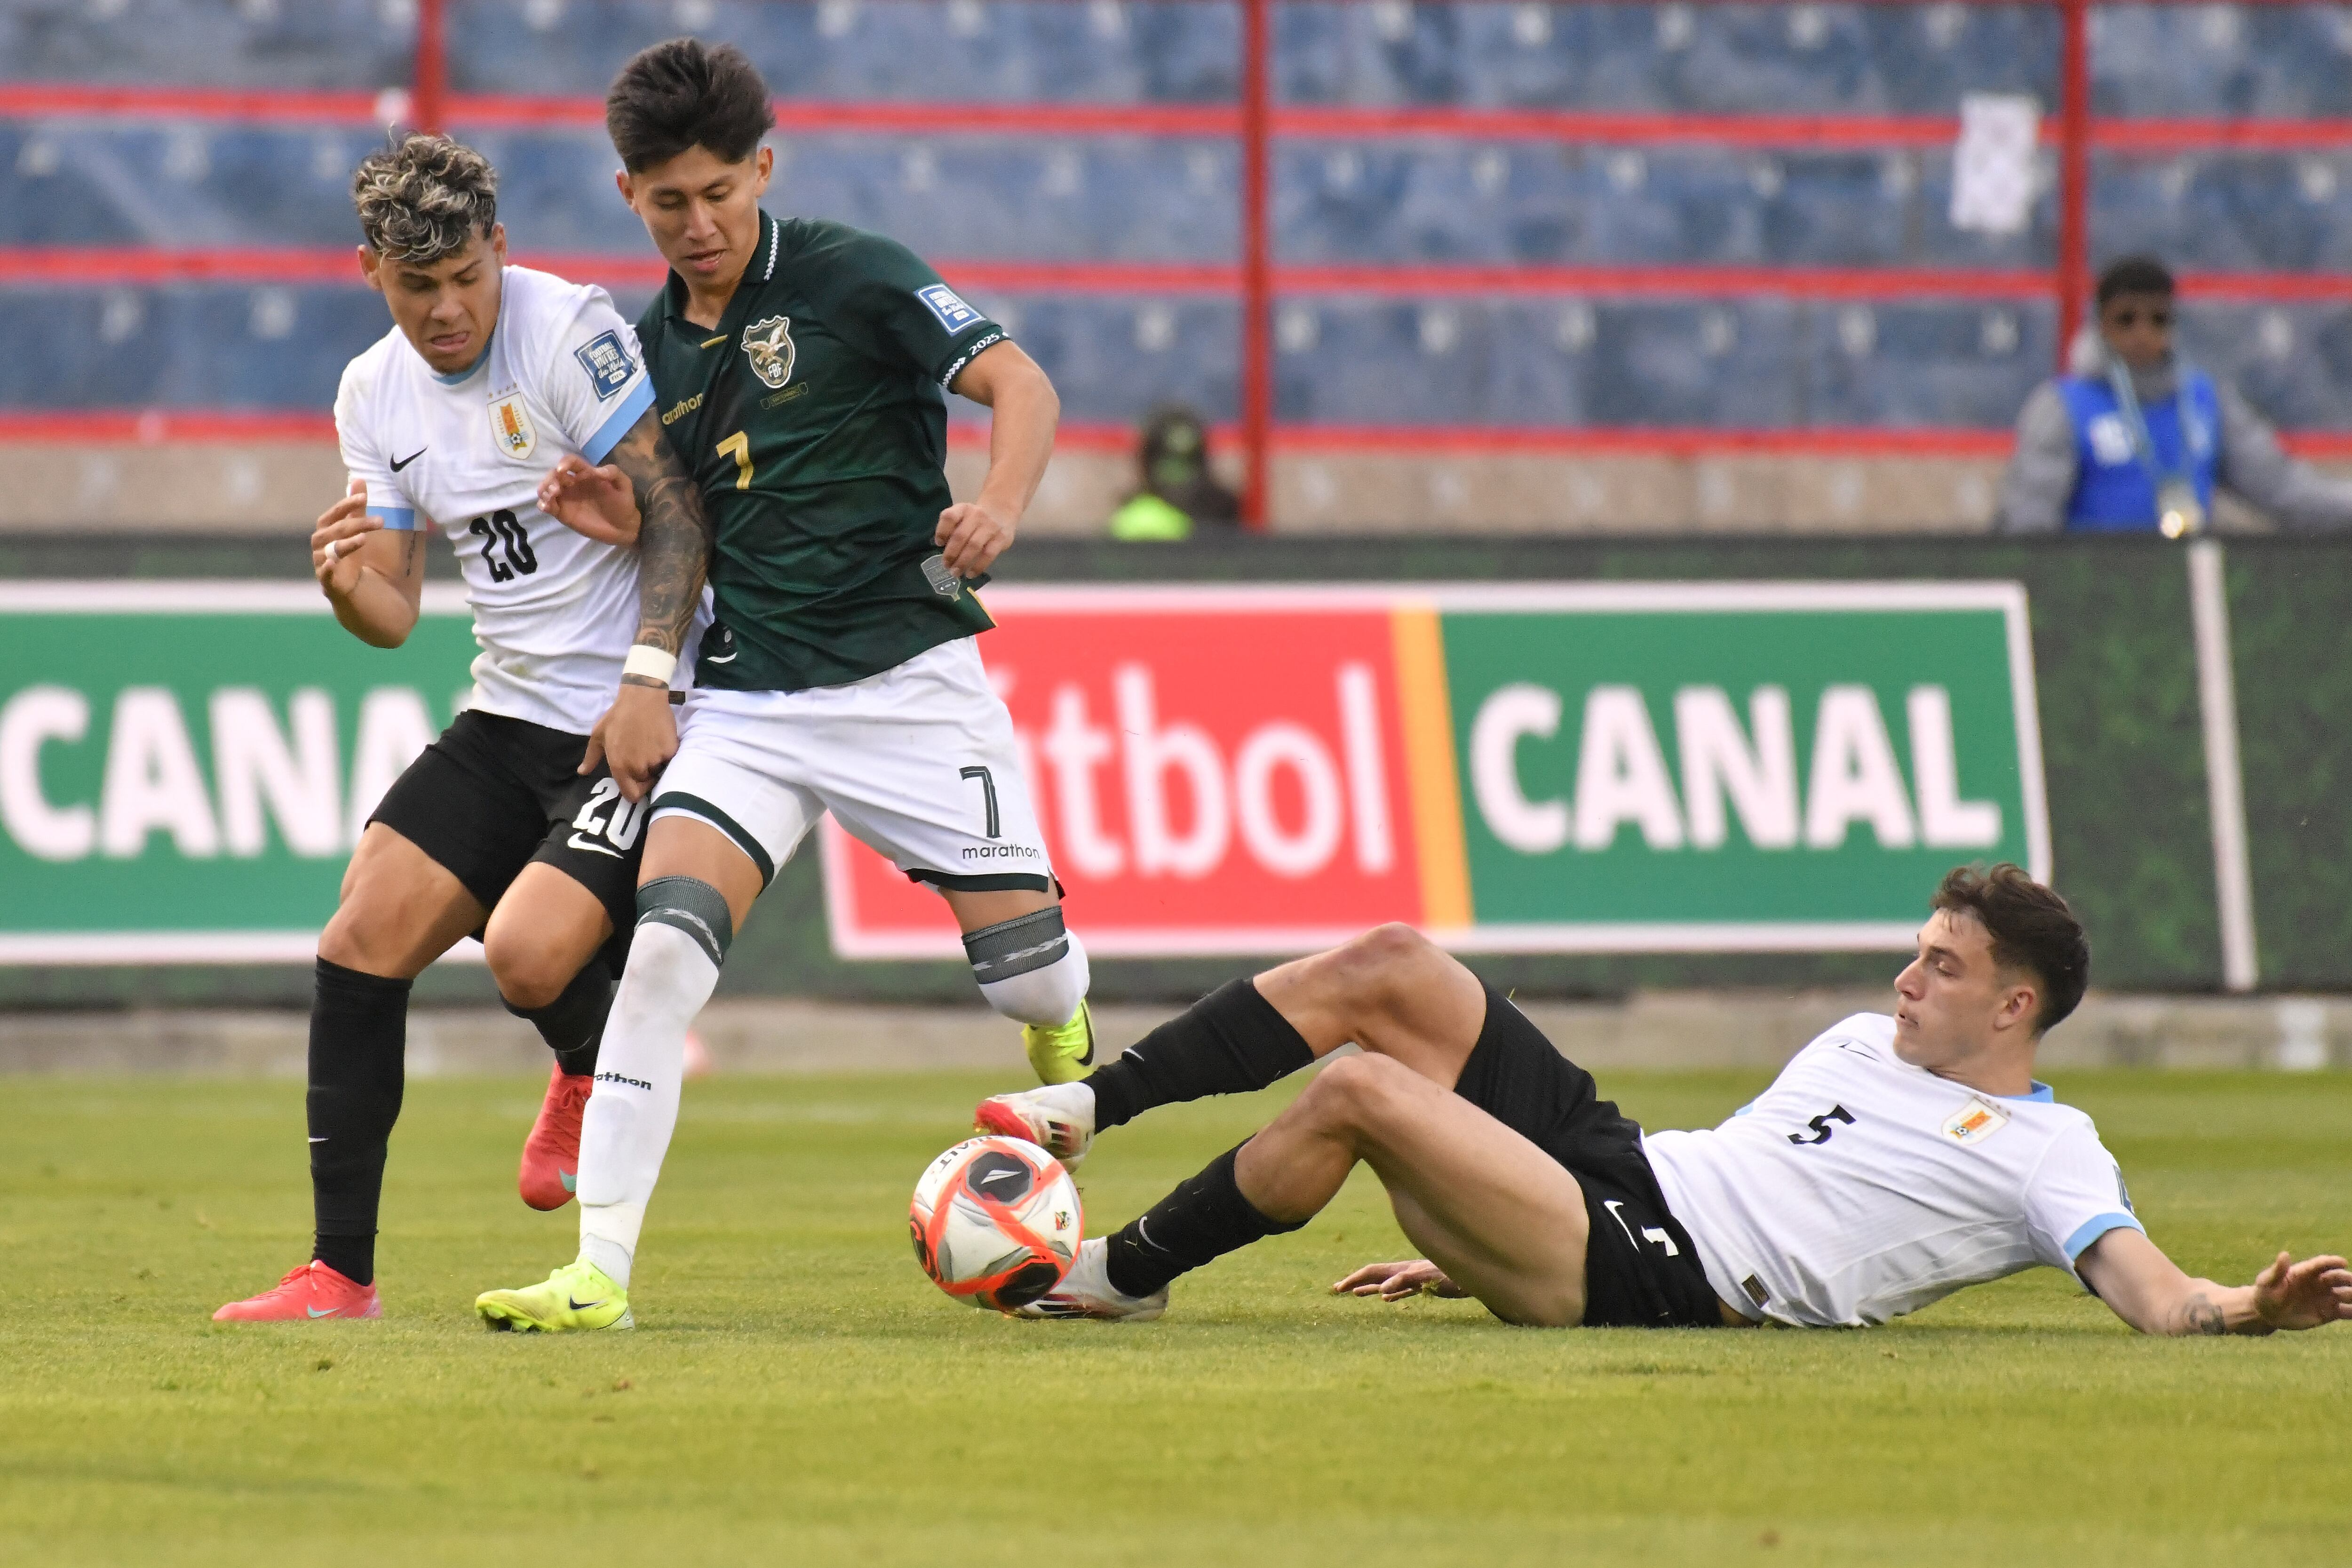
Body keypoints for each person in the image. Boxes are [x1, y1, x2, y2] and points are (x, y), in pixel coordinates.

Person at [471, 40, 1080, 1332]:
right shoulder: (644, 349)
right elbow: (705, 530)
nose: (698, 225)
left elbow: (1019, 382)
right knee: (662, 957)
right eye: (667, 199)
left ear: (764, 165)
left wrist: (1001, 504)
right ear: (626, 192)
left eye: (719, 194)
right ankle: (600, 1273)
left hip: (910, 684)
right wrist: (619, 520)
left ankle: (1063, 1029)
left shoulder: (857, 276)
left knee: (1028, 979)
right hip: (750, 702)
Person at [975, 865, 2352, 1337]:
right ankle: (1087, 1108)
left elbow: (2146, 1288)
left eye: (1941, 964)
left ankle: (1117, 1273)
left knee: (1359, 1091)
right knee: (1393, 965)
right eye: (1914, 948)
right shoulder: (1857, 1041)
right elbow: (1760, 1168)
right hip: (1620, 1171)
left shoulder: (2047, 1150)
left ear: (2014, 1007)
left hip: (1661, 1271)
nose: (1904, 973)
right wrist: (1472, 1241)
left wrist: (2244, 1309)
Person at [214, 134, 712, 1323]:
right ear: (371, 275)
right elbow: (394, 612)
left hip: (633, 714)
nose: (446, 311)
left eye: (463, 278)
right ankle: (341, 1274)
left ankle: (594, 1062)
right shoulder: (371, 392)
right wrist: (345, 589)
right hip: (508, 714)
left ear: (500, 250)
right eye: (414, 286)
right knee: (359, 938)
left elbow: (679, 514)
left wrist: (649, 680)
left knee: (526, 956)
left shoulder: (566, 332)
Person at [2000, 255, 2352, 535]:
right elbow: (2030, 523)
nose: (2143, 334)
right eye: (2126, 320)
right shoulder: (2065, 407)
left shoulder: (2204, 401)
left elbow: (2283, 489)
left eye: (2159, 320)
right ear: (2101, 325)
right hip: (2091, 591)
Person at [1107, 404, 1241, 541]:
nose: (1178, 481)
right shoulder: (1138, 519)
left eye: (1186, 465)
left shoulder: (1224, 512)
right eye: (1168, 465)